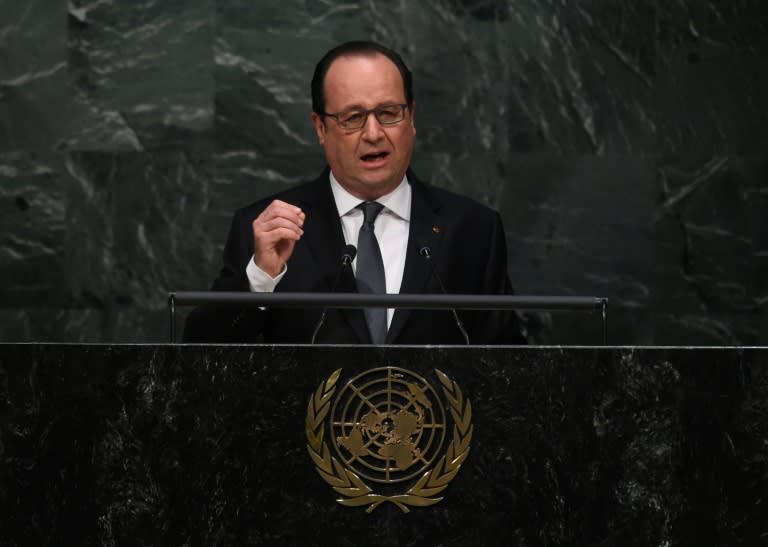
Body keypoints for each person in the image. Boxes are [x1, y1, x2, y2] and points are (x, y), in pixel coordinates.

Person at [184, 41, 524, 344]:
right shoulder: (268, 230)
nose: (374, 133)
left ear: (412, 117)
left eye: (389, 114)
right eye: (353, 118)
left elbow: (509, 368)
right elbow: (201, 355)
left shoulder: (473, 230)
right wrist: (260, 279)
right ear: (321, 127)